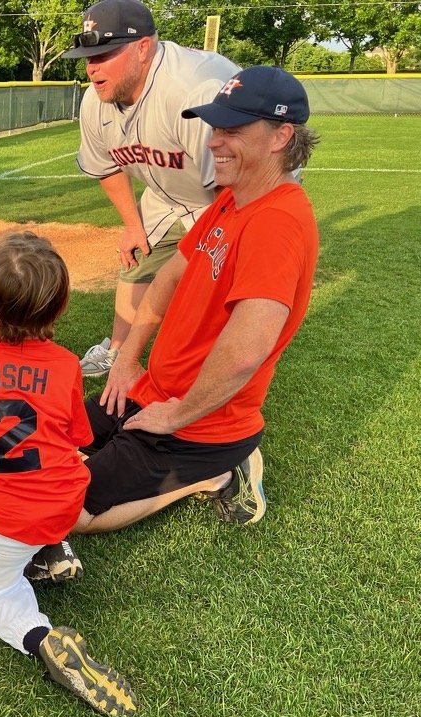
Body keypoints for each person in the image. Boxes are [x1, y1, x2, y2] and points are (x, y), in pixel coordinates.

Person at [67, 65, 319, 538]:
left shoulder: (278, 222)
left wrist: (179, 414)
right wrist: (126, 358)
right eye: (215, 128)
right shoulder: (233, 197)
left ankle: (209, 475)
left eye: (232, 130)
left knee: (66, 510)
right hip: (151, 388)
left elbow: (247, 351)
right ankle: (175, 453)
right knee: (53, 435)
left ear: (281, 136)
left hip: (199, 425)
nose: (212, 142)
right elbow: (169, 275)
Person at [0, 231, 138, 717]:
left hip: (12, 512)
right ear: (58, 308)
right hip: (68, 500)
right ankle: (52, 549)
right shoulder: (64, 363)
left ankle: (42, 638)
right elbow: (76, 435)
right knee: (50, 472)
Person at [62, 0, 239, 378]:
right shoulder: (96, 101)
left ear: (143, 48)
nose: (92, 68)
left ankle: (218, 366)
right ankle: (117, 350)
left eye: (105, 54)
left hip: (234, 193)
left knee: (217, 283)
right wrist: (132, 224)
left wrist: (199, 249)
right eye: (87, 56)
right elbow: (105, 165)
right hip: (167, 192)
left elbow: (237, 189)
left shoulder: (192, 92)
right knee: (138, 259)